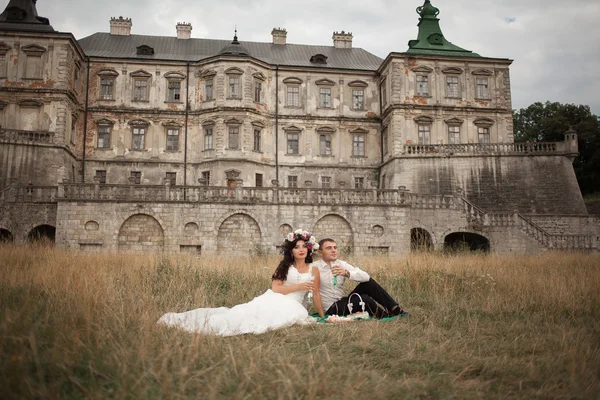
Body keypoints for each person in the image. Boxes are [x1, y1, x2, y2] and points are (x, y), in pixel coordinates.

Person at [157, 229, 324, 336]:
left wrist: (323, 317)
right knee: (243, 313)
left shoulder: (313, 269)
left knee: (273, 319)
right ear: (291, 251)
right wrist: (299, 286)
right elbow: (276, 288)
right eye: (297, 247)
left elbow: (315, 294)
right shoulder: (285, 266)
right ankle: (204, 323)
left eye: (304, 246)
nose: (301, 249)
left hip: (295, 305)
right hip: (276, 298)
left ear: (308, 248)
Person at [313, 238, 407, 319]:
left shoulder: (342, 264)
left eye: (335, 247)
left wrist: (347, 273)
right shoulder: (314, 267)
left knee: (368, 283)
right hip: (331, 308)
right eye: (329, 248)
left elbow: (366, 277)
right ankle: (384, 315)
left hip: (343, 301)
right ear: (320, 252)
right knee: (364, 299)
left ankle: (394, 309)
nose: (334, 250)